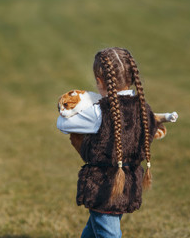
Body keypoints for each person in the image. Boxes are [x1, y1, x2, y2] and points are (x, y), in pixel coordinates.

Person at [57, 47, 159, 238]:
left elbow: (62, 124)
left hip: (103, 187)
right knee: (93, 231)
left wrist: (89, 100)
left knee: (108, 234)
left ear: (99, 81)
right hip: (128, 183)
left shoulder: (99, 112)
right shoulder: (144, 109)